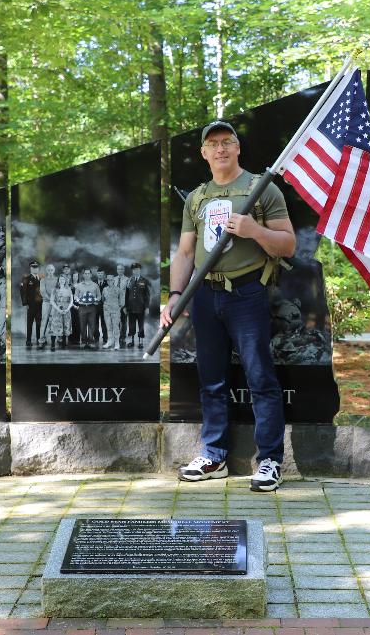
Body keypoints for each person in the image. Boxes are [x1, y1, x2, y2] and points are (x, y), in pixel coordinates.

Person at [161, 119, 295, 493]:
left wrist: (255, 231)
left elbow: (288, 245)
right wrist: (175, 295)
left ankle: (269, 459)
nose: (220, 148)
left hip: (248, 292)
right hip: (205, 295)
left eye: (227, 142)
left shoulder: (261, 189)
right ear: (204, 153)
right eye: (212, 144)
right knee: (212, 379)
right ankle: (214, 454)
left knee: (260, 377)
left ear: (237, 148)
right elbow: (186, 252)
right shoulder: (198, 198)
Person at [124, 262, 150, 349]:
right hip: (131, 307)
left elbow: (147, 295)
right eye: (134, 270)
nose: (136, 271)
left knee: (141, 325)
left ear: (140, 270)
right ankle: (131, 341)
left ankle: (140, 342)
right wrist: (125, 306)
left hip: (141, 307)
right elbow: (126, 295)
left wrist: (146, 307)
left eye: (137, 270)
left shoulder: (144, 281)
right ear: (132, 271)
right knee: (131, 325)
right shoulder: (129, 280)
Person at [18, 260, 43, 347]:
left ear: (38, 269)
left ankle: (39, 339)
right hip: (30, 305)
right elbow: (22, 292)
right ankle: (28, 340)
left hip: (40, 305)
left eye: (36, 268)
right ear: (30, 268)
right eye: (33, 267)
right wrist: (25, 304)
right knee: (30, 323)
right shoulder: (26, 279)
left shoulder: (41, 279)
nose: (35, 269)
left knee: (39, 323)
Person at [75, 268, 102, 349]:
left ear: (91, 275)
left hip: (92, 307)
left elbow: (99, 296)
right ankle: (83, 341)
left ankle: (90, 341)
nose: (87, 275)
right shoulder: (79, 285)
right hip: (82, 307)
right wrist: (78, 300)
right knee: (82, 325)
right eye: (85, 273)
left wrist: (95, 300)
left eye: (88, 273)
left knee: (92, 325)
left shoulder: (95, 285)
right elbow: (75, 296)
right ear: (83, 275)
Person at [46, 273, 73, 351]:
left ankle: (64, 344)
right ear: (58, 280)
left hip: (66, 310)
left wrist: (67, 309)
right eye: (60, 279)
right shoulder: (55, 289)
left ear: (65, 281)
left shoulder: (69, 289)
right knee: (55, 327)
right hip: (56, 310)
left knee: (65, 326)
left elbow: (71, 300)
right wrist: (58, 309)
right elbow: (52, 301)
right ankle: (53, 345)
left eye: (63, 279)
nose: (62, 281)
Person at [102, 269, 126, 350]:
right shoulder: (105, 289)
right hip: (106, 310)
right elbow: (103, 299)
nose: (109, 281)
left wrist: (117, 308)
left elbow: (122, 302)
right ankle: (109, 341)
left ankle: (117, 343)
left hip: (115, 311)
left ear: (113, 280)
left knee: (115, 327)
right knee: (108, 326)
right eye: (108, 280)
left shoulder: (118, 289)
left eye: (111, 280)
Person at [37, 264, 58, 349]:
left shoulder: (57, 280)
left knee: (55, 320)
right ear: (46, 271)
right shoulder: (43, 280)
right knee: (44, 320)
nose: (50, 271)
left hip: (55, 303)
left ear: (54, 270)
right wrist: (50, 299)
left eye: (51, 270)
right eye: (48, 270)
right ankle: (42, 340)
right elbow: (42, 291)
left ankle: (57, 339)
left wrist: (54, 300)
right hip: (46, 302)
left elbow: (59, 290)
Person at [115, 263, 129, 347]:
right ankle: (116, 337)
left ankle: (123, 337)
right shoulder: (113, 279)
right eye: (118, 269)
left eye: (121, 269)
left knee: (123, 322)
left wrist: (126, 305)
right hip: (115, 304)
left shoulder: (127, 280)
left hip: (123, 304)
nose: (120, 270)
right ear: (117, 270)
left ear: (123, 270)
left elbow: (128, 294)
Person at [95, 268, 109, 345]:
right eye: (99, 273)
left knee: (104, 323)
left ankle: (105, 338)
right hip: (96, 306)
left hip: (104, 306)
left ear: (103, 274)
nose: (100, 275)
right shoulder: (94, 283)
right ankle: (96, 337)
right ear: (97, 274)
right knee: (95, 323)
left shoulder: (107, 283)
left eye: (101, 273)